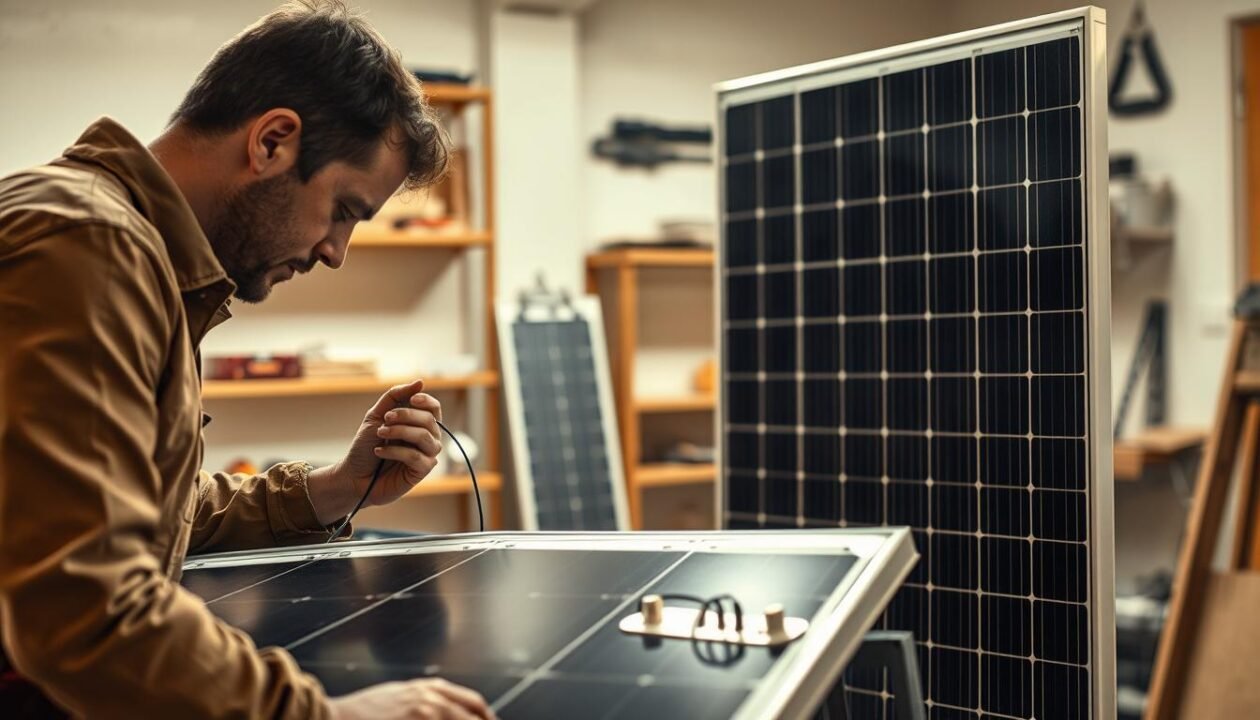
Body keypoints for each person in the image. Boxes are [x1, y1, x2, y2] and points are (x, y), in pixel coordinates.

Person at [0, 1, 494, 718]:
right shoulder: (89, 246)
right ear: (272, 142)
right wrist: (329, 715)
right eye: (344, 210)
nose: (335, 251)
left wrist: (335, 488)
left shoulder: (129, 253)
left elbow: (137, 508)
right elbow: (87, 608)